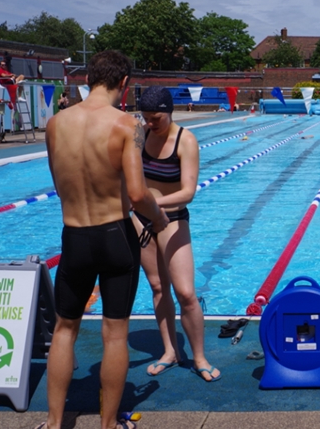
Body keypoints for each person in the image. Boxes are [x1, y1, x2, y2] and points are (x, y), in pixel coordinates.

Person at [41, 50, 168, 429]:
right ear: (124, 84)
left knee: (64, 330)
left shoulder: (55, 124)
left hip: (74, 236)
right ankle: (109, 424)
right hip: (114, 235)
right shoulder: (126, 125)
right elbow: (138, 192)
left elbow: (60, 184)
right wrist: (158, 219)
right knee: (115, 335)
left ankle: (53, 422)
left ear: (89, 79)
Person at [132, 87, 220, 383]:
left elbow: (188, 192)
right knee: (158, 288)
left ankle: (199, 356)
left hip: (172, 219)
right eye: (146, 117)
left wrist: (149, 203)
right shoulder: (139, 135)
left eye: (155, 118)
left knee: (186, 293)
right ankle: (170, 351)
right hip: (141, 220)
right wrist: (137, 210)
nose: (150, 123)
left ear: (169, 111)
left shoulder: (186, 140)